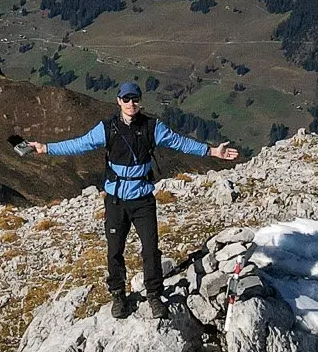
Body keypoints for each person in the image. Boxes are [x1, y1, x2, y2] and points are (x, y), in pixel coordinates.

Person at [29, 82, 239, 319]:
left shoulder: (152, 127)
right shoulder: (107, 128)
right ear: (118, 101)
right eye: (126, 99)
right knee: (114, 251)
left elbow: (179, 142)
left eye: (135, 99)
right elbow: (80, 143)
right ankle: (118, 295)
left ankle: (154, 295)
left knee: (151, 250)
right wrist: (45, 148)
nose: (131, 104)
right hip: (116, 199)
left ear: (140, 101)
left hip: (143, 199)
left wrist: (211, 152)